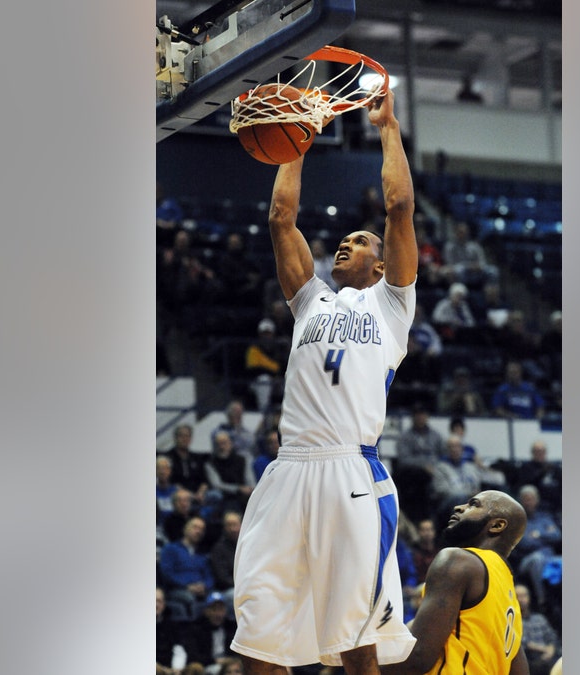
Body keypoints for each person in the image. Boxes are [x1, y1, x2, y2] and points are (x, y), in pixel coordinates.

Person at [231, 87, 418, 675]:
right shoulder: (311, 301)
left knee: (355, 642)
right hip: (289, 469)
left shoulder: (391, 306)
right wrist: (297, 138)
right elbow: (281, 218)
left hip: (350, 470)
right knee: (259, 633)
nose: (347, 242)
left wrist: (387, 127)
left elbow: (399, 208)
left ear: (382, 264)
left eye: (361, 241)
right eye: (345, 238)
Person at [381, 490, 528, 675]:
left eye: (474, 504)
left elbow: (418, 658)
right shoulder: (509, 593)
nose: (459, 507)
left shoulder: (458, 560)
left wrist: (365, 668)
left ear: (497, 525)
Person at [160, 516, 217, 621]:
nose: (198, 531)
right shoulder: (171, 549)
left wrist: (204, 586)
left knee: (217, 599)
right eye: (195, 527)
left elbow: (209, 575)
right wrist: (187, 586)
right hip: (177, 589)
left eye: (202, 529)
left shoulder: (202, 554)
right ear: (185, 529)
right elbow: (167, 573)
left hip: (201, 590)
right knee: (189, 598)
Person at [182, 591, 239, 673]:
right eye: (214, 609)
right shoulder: (195, 628)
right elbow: (194, 655)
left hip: (229, 665)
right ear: (206, 611)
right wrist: (215, 661)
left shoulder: (231, 627)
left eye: (221, 609)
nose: (218, 614)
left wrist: (228, 661)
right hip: (206, 665)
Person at [205, 430, 256, 513]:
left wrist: (252, 489)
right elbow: (217, 485)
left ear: (231, 443)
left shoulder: (242, 459)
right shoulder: (210, 463)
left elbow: (249, 478)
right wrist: (238, 489)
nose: (221, 447)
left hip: (244, 494)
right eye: (219, 444)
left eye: (224, 443)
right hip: (225, 495)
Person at [515, 584, 561, 675]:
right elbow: (524, 643)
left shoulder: (539, 618)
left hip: (549, 655)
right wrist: (545, 649)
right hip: (531, 659)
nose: (521, 599)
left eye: (524, 595)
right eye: (518, 596)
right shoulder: (513, 622)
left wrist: (551, 649)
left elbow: (552, 636)